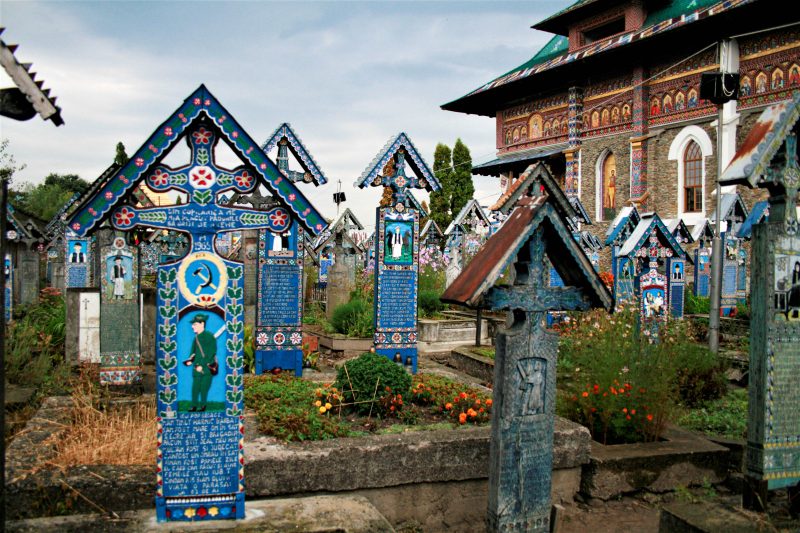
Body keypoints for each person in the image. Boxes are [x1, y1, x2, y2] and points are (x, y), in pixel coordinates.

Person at [183, 313, 217, 412]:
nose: (192, 326)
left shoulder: (210, 336)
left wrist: (202, 365)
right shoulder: (196, 338)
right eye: (192, 324)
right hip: (196, 368)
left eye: (195, 324)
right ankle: (193, 405)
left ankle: (203, 405)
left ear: (202, 324)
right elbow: (193, 352)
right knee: (195, 388)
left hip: (207, 368)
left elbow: (211, 352)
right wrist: (190, 360)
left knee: (203, 389)